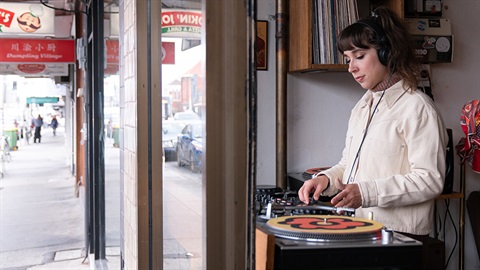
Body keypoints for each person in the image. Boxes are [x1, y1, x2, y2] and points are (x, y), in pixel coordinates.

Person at [298, 7, 447, 267]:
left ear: (387, 53)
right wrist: (325, 179)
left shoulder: (418, 108)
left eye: (359, 56)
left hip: (401, 239)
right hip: (362, 230)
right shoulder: (362, 107)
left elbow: (430, 180)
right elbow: (349, 165)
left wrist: (365, 192)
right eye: (347, 59)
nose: (351, 68)